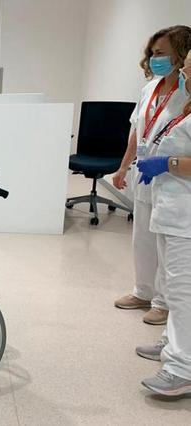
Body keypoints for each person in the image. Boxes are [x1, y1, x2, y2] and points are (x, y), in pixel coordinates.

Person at [112, 26, 191, 326]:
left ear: (181, 55)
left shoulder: (187, 92)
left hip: (175, 177)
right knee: (141, 237)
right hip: (145, 170)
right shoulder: (149, 87)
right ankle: (143, 290)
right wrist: (123, 166)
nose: (154, 59)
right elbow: (137, 129)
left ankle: (163, 301)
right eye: (152, 53)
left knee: (166, 243)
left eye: (161, 54)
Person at [135, 50, 191, 396]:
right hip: (171, 210)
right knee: (172, 286)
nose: (182, 73)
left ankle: (182, 368)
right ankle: (171, 344)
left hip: (186, 217)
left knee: (184, 292)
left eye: (186, 68)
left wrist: (165, 163)